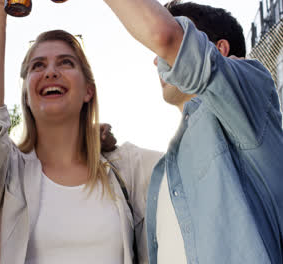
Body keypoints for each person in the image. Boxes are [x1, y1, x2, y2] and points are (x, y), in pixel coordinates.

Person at [0, 0, 162, 263]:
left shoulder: (128, 168)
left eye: (65, 63)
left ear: (88, 90)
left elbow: (193, 166)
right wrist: (0, 14)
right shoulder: (9, 173)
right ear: (27, 94)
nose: (50, 72)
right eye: (38, 66)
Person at [102, 0, 283, 263]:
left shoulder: (251, 91)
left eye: (185, 31)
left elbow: (165, 37)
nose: (156, 60)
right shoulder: (164, 172)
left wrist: (170, 36)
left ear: (219, 49)